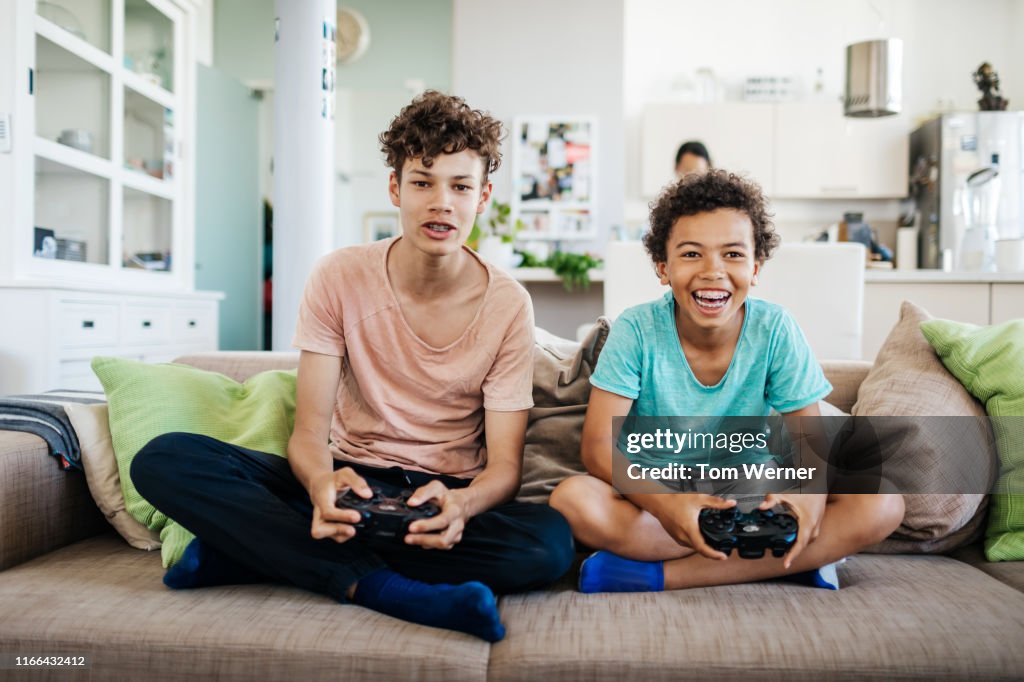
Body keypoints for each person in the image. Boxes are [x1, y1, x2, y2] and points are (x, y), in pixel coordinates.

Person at [131, 91, 575, 642]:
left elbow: (504, 469)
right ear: (395, 187)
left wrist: (462, 505)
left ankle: (249, 556)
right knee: (165, 459)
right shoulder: (339, 276)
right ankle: (383, 588)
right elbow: (309, 434)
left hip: (439, 494)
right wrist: (319, 483)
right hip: (349, 480)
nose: (442, 202)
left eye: (460, 186)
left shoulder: (509, 304)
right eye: (422, 182)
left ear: (482, 196)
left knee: (549, 543)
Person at [549, 170, 904, 593]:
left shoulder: (775, 330)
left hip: (751, 490)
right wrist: (670, 507)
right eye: (692, 254)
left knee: (883, 501)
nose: (713, 271)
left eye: (733, 255)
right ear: (663, 268)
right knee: (571, 500)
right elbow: (596, 449)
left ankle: (655, 575)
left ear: (756, 267)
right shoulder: (637, 330)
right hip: (658, 495)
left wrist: (809, 502)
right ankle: (790, 561)